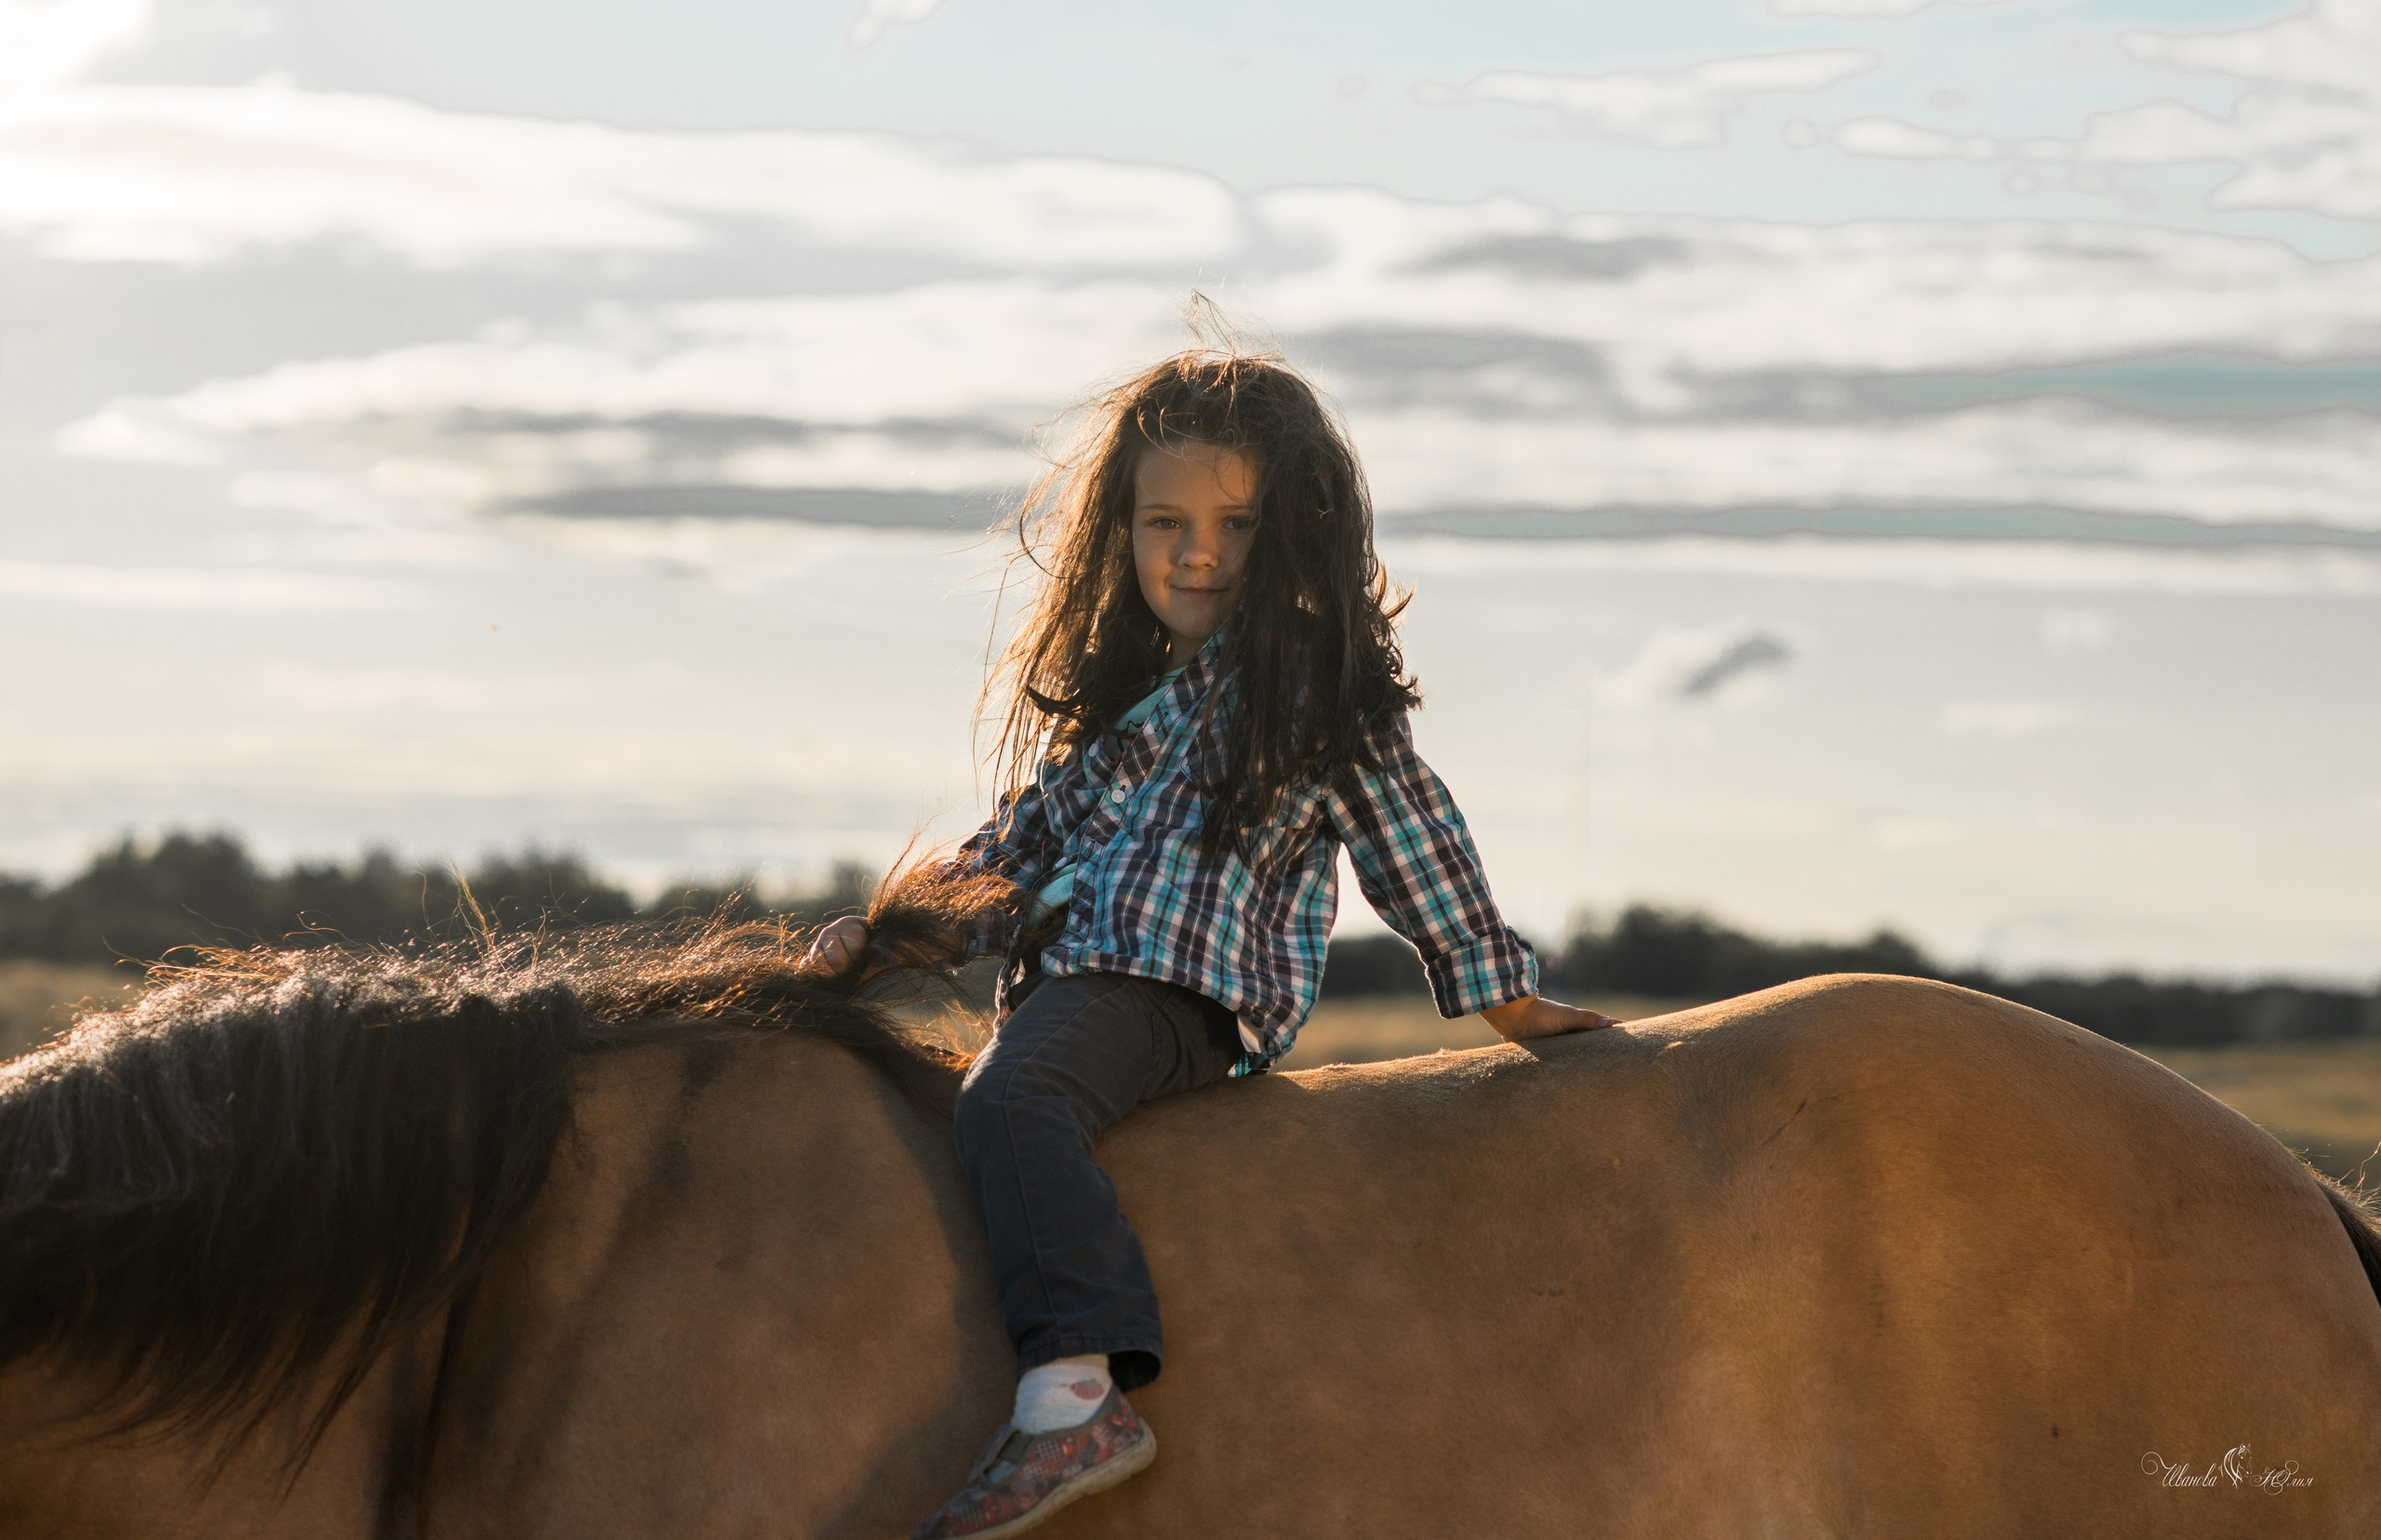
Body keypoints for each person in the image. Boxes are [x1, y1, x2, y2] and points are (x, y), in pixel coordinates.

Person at [805, 348, 1617, 1540]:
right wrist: (884, 941)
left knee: (1010, 1103)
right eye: (1164, 521)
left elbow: (1412, 837)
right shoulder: (1128, 715)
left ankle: (1077, 1390)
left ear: (1293, 532)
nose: (1197, 551)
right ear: (1119, 537)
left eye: (1236, 523)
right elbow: (1013, 853)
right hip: (1087, 983)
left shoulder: (1306, 688)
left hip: (1181, 990)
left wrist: (1505, 997)